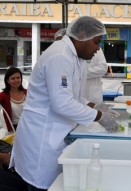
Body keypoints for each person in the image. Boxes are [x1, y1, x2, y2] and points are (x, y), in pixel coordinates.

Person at [10, 16, 119, 191]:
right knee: (43, 186)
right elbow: (61, 103)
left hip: (53, 134)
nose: (98, 49)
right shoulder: (60, 56)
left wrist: (94, 106)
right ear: (82, 35)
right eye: (97, 42)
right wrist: (99, 117)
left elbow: (73, 96)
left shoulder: (75, 57)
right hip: (42, 137)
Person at [54, 28, 108, 104]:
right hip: (72, 101)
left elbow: (103, 68)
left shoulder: (94, 49)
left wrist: (81, 73)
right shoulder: (57, 57)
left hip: (91, 95)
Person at [0, 67, 27, 132]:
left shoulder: (27, 92)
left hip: (28, 125)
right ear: (7, 81)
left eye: (18, 78)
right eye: (13, 78)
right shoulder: (3, 95)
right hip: (13, 129)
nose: (16, 80)